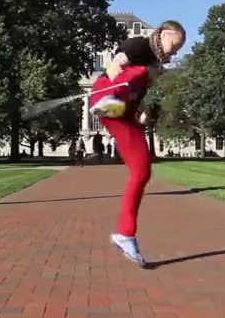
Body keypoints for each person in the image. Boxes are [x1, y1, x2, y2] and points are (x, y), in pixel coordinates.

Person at [88, 20, 186, 266]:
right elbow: (121, 58)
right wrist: (115, 73)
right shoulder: (140, 46)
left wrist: (139, 109)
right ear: (162, 34)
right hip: (106, 93)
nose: (171, 52)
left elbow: (138, 89)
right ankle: (108, 101)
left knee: (142, 170)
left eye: (176, 50)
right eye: (172, 45)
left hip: (123, 114)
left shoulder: (155, 65)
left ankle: (125, 233)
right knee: (139, 72)